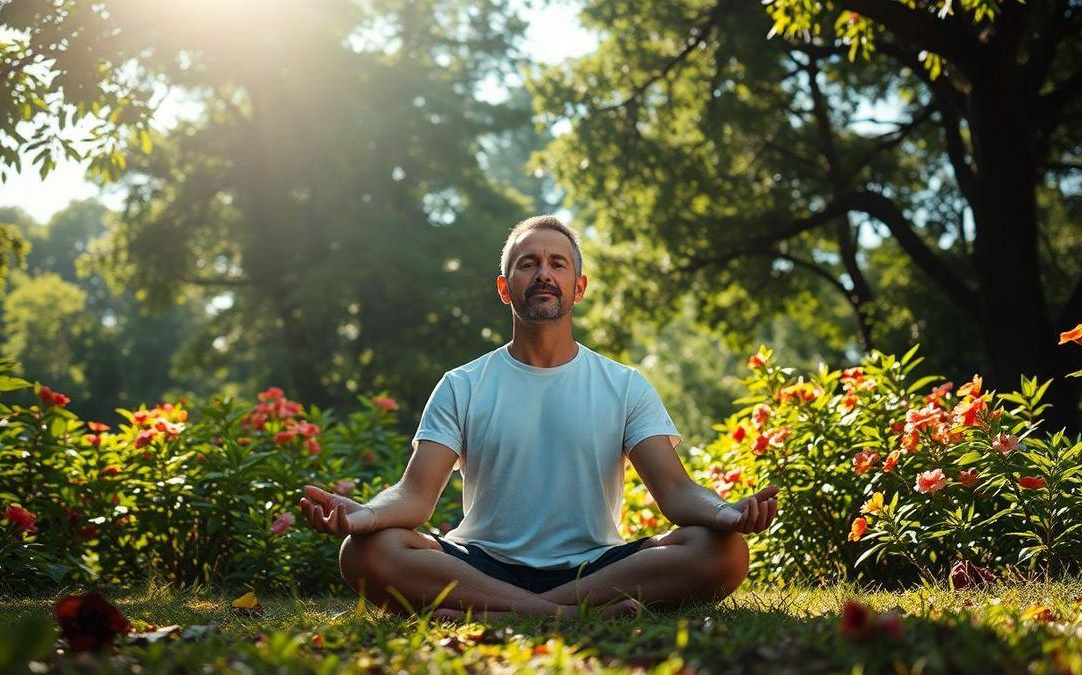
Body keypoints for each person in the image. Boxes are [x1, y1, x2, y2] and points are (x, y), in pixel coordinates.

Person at [298, 215, 780, 619]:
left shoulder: (624, 384)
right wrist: (364, 516)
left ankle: (499, 611)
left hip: (596, 566)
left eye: (558, 263)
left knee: (722, 550)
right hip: (481, 563)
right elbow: (415, 495)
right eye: (528, 264)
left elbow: (675, 491)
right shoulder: (462, 384)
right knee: (367, 553)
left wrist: (727, 513)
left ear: (579, 286)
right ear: (505, 289)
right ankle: (566, 617)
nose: (544, 273)